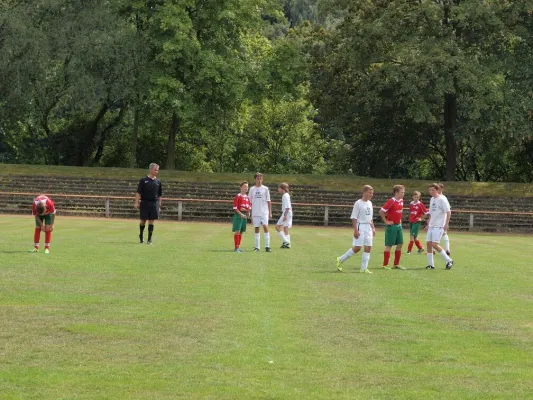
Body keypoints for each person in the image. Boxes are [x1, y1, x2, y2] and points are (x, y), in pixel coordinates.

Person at [336, 185, 376, 273]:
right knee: (358, 248)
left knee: (368, 247)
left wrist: (373, 228)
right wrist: (355, 230)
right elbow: (354, 217)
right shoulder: (358, 203)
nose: (371, 194)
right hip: (360, 226)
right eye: (370, 193)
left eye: (372, 193)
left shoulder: (370, 203)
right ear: (364, 192)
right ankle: (341, 259)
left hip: (368, 227)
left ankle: (363, 268)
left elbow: (370, 218)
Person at [425, 183, 454, 270]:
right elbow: (431, 213)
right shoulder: (432, 199)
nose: (431, 192)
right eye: (430, 190)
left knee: (434, 244)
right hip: (431, 225)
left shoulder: (442, 199)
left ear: (437, 190)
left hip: (439, 225)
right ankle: (431, 265)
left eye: (433, 190)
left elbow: (448, 212)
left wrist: (446, 224)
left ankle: (449, 260)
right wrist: (428, 224)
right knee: (429, 244)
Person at [379, 185, 406, 269]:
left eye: (403, 192)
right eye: (402, 192)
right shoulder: (391, 201)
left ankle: (396, 264)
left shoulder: (401, 201)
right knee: (389, 245)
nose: (403, 194)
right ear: (396, 192)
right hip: (392, 226)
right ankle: (385, 265)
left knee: (400, 244)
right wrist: (386, 221)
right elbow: (381, 211)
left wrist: (400, 221)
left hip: (398, 225)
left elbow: (399, 213)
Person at [134, 163, 162, 244]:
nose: (157, 171)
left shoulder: (158, 181)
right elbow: (138, 192)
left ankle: (149, 239)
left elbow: (160, 195)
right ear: (150, 170)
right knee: (143, 220)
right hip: (144, 203)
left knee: (151, 221)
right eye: (155, 170)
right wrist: (136, 202)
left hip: (154, 203)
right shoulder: (143, 180)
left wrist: (159, 205)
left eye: (158, 170)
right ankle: (141, 235)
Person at [248, 172, 272, 252]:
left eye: (261, 178)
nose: (259, 180)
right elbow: (249, 201)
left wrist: (270, 212)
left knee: (265, 226)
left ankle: (267, 246)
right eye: (258, 178)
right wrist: (249, 211)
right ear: (255, 179)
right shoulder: (252, 189)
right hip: (255, 212)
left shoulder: (265, 189)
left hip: (264, 211)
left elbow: (269, 201)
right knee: (257, 228)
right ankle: (257, 247)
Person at [232, 181, 251, 253]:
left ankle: (238, 247)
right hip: (238, 215)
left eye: (247, 187)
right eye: (245, 186)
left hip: (244, 216)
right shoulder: (238, 196)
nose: (246, 188)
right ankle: (236, 248)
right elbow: (235, 208)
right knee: (237, 231)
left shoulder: (247, 197)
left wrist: (248, 212)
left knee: (241, 231)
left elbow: (249, 206)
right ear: (241, 187)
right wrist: (241, 214)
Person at [275, 183, 292, 249]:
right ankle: (287, 244)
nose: (278, 189)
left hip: (286, 213)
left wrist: (285, 215)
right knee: (285, 228)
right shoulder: (286, 195)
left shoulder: (285, 195)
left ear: (283, 189)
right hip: (288, 213)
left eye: (279, 188)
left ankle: (286, 242)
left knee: (277, 227)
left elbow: (287, 207)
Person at [438, 183, 451, 256]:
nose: (438, 190)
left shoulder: (443, 197)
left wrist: (447, 222)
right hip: (437, 219)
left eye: (439, 188)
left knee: (443, 233)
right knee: (439, 234)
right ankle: (446, 249)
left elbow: (448, 210)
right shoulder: (435, 197)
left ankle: (447, 249)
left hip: (442, 219)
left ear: (442, 189)